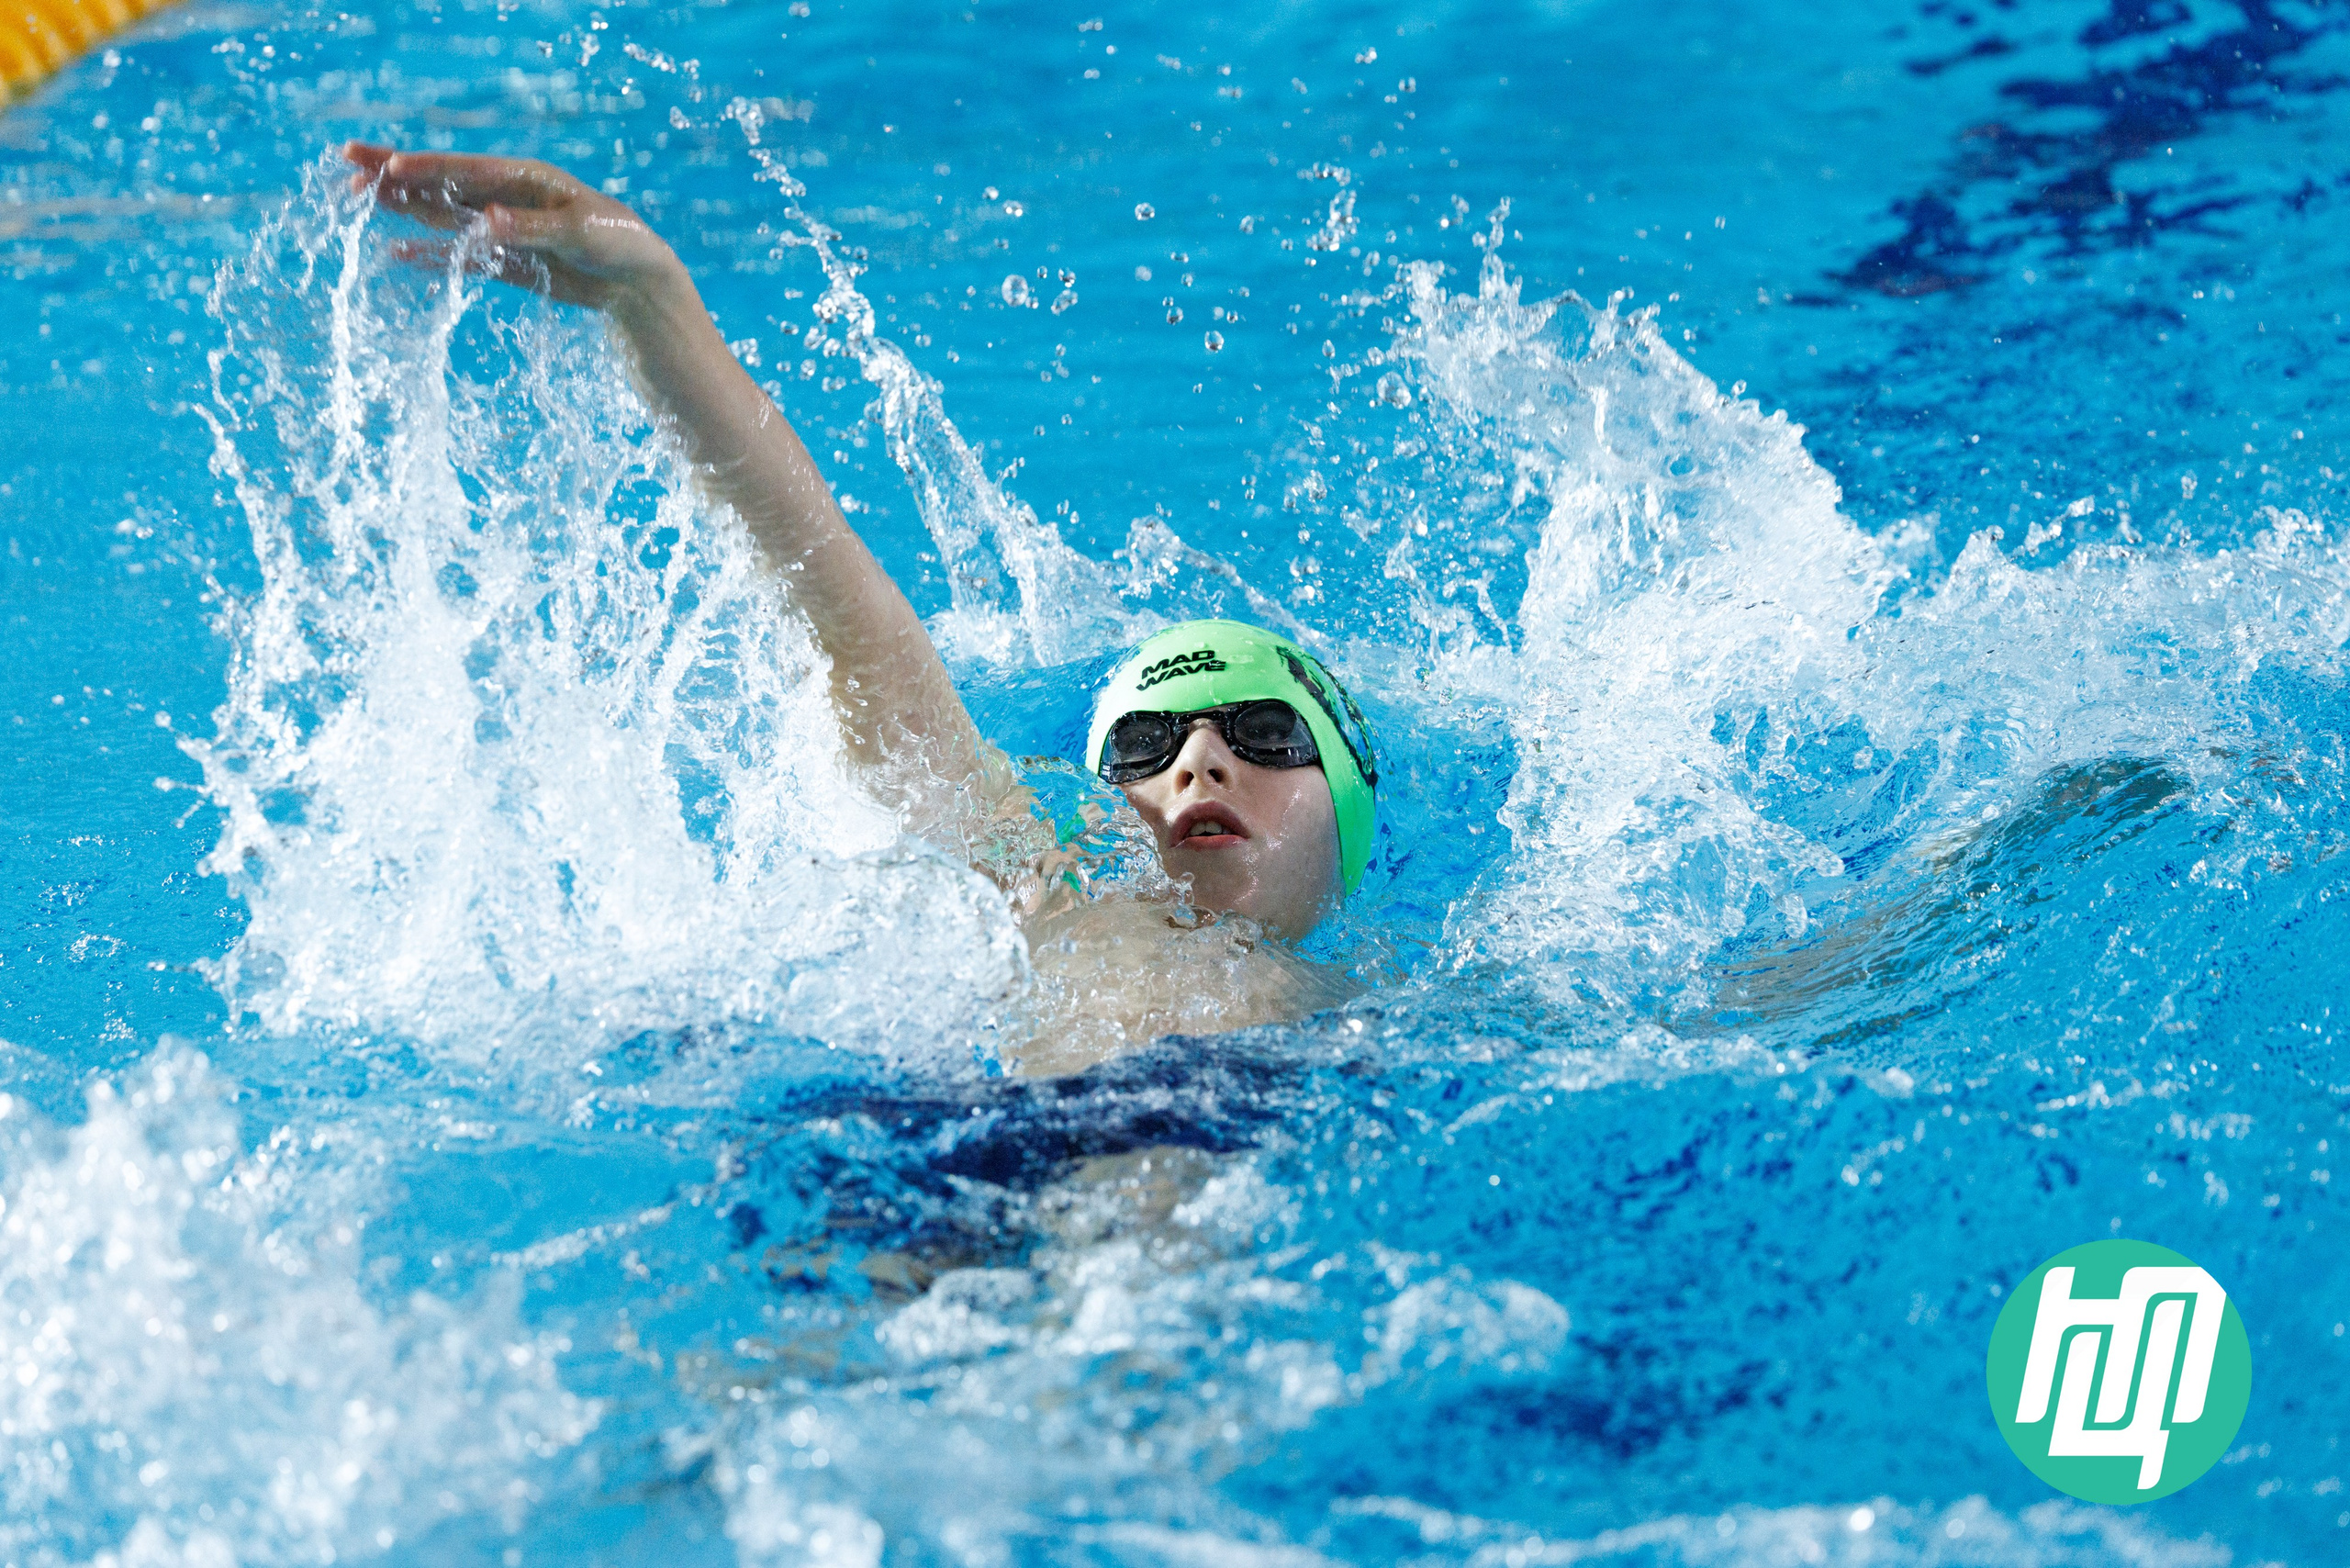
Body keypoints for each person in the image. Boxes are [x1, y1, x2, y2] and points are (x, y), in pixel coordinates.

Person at [341, 143, 1380, 1069]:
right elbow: (848, 615)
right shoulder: (1047, 889)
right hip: (947, 1158)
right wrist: (652, 302)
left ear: (1349, 799)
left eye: (1261, 731)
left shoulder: (1384, 1018)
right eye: (1146, 745)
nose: (1197, 760)